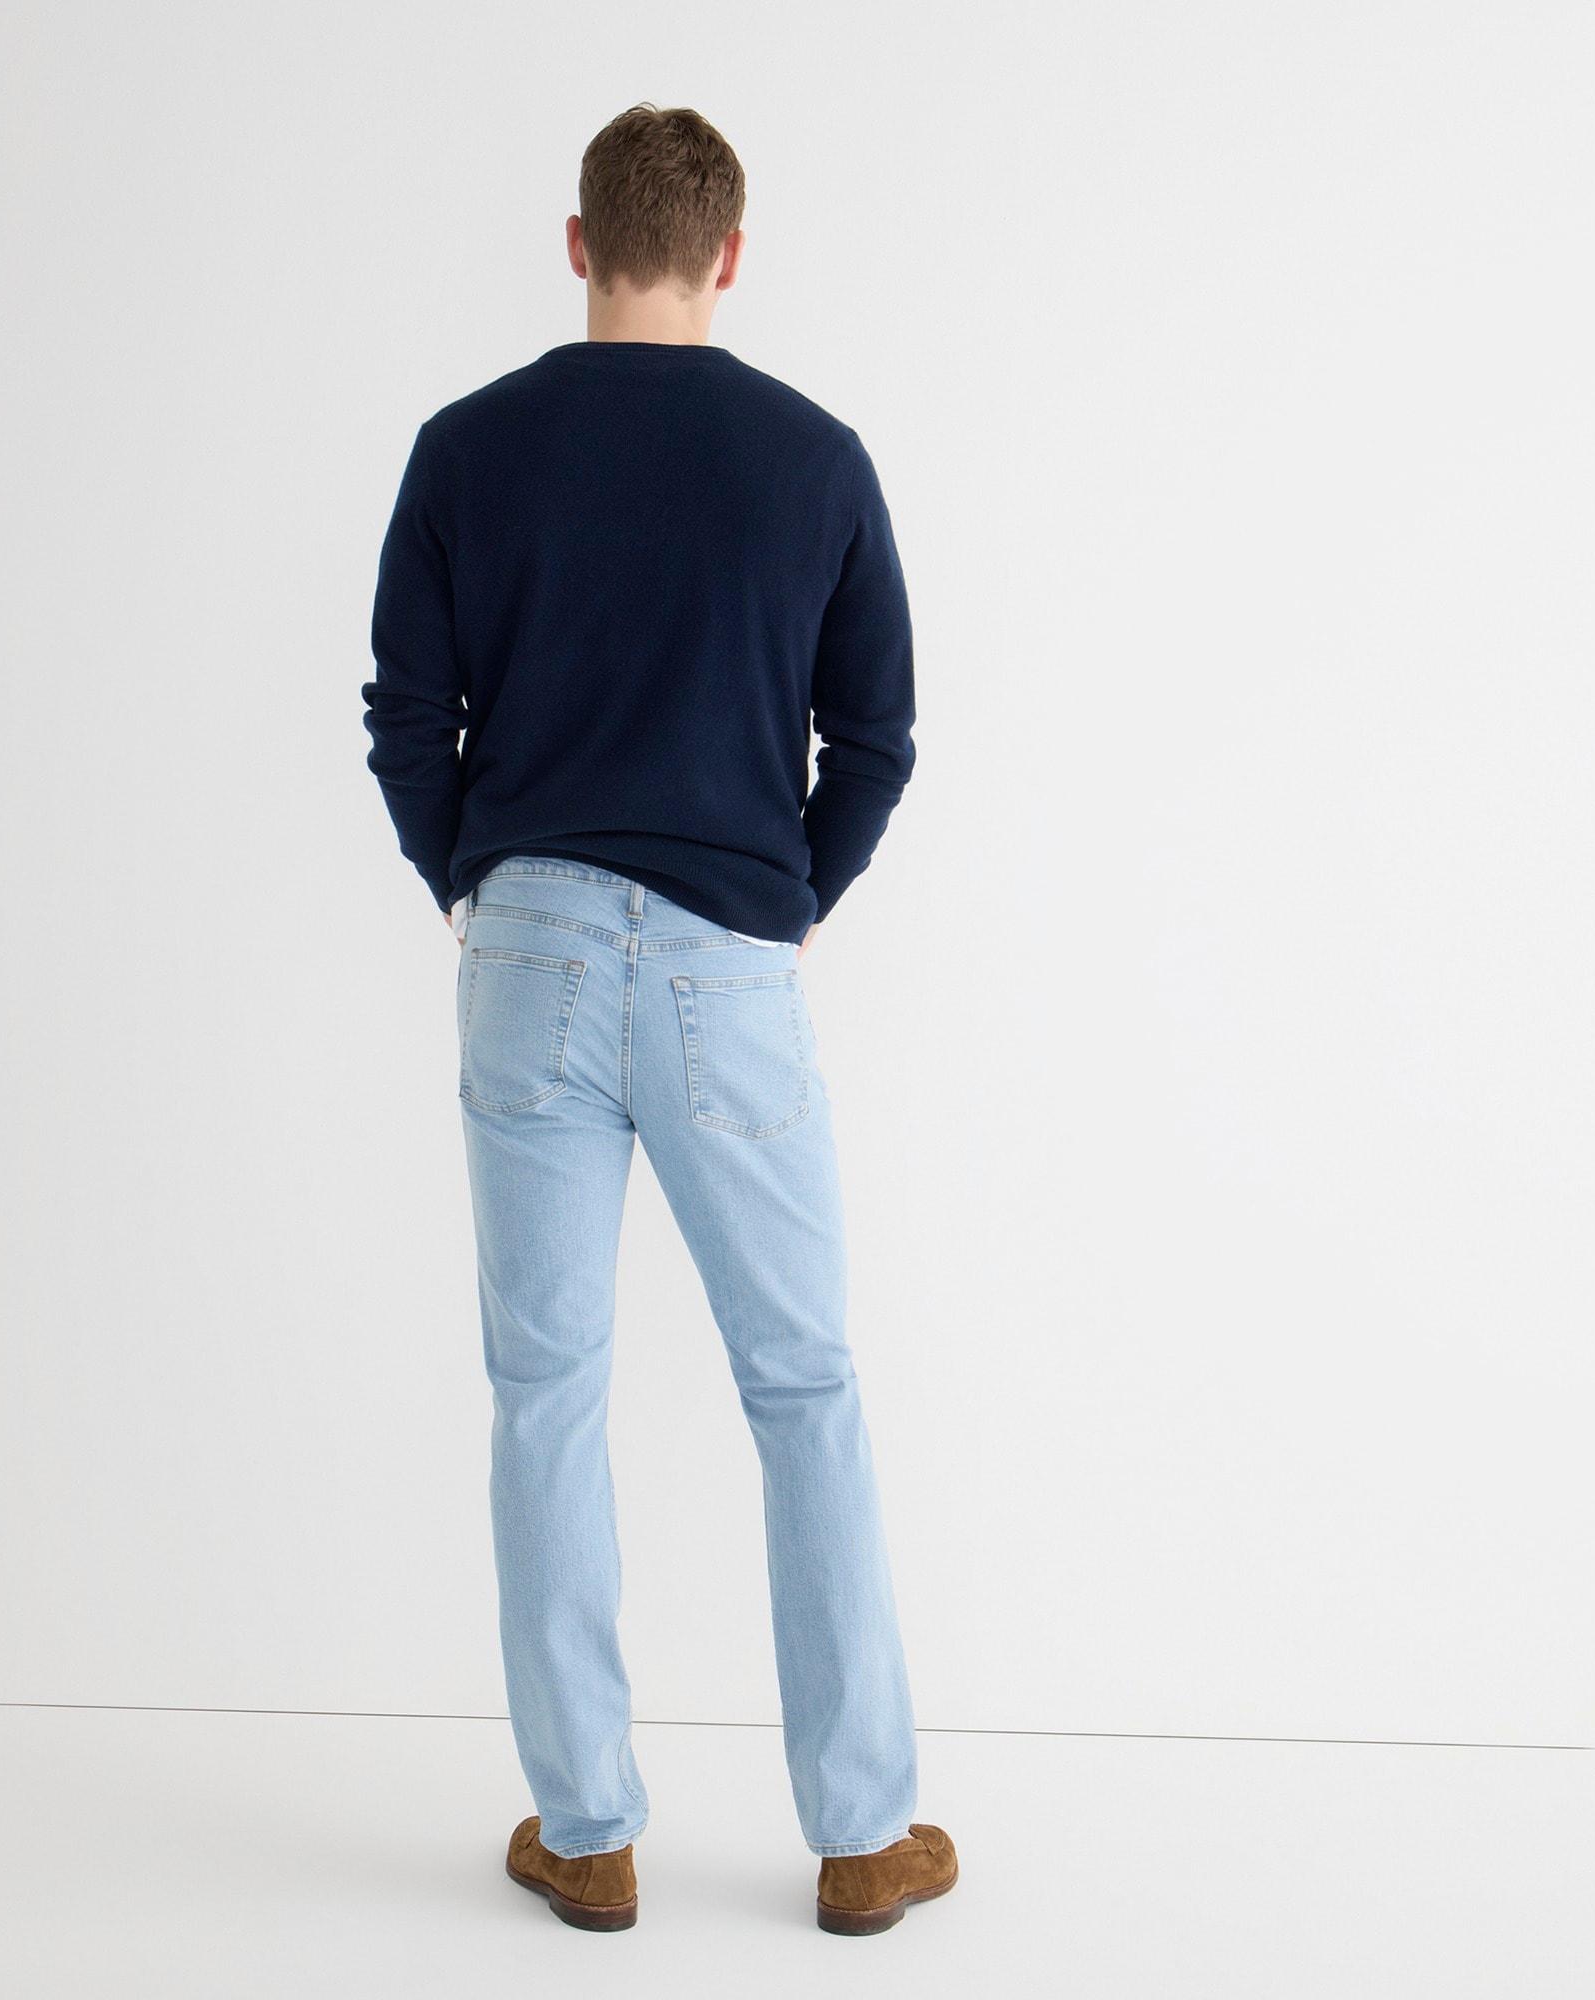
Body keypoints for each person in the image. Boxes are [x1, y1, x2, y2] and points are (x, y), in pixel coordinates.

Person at [360, 101, 956, 1938]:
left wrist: (482, 884)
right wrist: (780, 901)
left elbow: (406, 717)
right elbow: (877, 739)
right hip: (727, 962)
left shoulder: (467, 448)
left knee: (546, 1391)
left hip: (529, 947)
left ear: (577, 244)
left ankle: (589, 1828)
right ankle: (861, 1837)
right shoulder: (814, 460)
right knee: (804, 1384)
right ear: (729, 256)